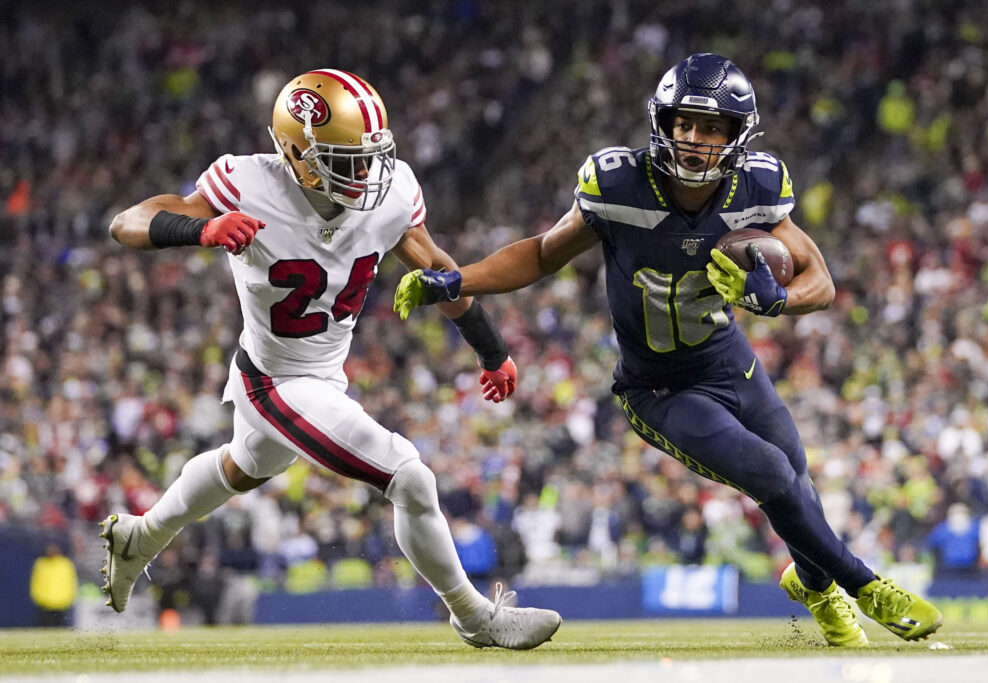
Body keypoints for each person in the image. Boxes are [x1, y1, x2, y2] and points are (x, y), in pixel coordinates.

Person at [394, 53, 942, 646]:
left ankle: (812, 586)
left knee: (798, 481)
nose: (695, 139)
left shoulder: (756, 186)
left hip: (728, 359)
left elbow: (822, 283)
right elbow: (543, 253)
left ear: (737, 135)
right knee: (773, 475)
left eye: (711, 128)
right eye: (685, 123)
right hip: (658, 387)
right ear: (663, 122)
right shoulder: (618, 185)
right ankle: (866, 588)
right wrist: (459, 279)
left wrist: (775, 302)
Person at [100, 68, 560, 650]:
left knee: (241, 468)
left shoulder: (391, 191)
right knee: (409, 476)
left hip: (321, 378)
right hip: (272, 380)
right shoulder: (246, 181)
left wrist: (491, 350)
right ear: (294, 152)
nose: (365, 173)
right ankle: (475, 617)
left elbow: (437, 270)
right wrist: (201, 228)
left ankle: (138, 536)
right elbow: (127, 223)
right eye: (346, 158)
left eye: (371, 157)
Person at [29, 543, 78, 627]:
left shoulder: (65, 564)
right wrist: (38, 596)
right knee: (46, 624)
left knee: (60, 624)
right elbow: (36, 581)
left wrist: (69, 597)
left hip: (61, 601)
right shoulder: (41, 564)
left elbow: (70, 582)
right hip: (45, 601)